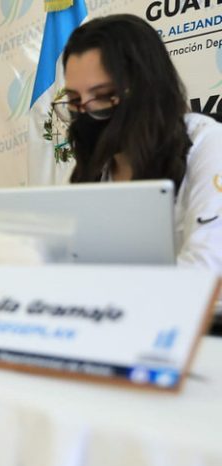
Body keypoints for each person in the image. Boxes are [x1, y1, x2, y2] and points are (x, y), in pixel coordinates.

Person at [54, 14, 222, 273]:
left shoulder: (207, 144)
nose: (86, 112)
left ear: (146, 89)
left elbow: (208, 268)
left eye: (103, 96)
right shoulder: (91, 170)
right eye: (75, 100)